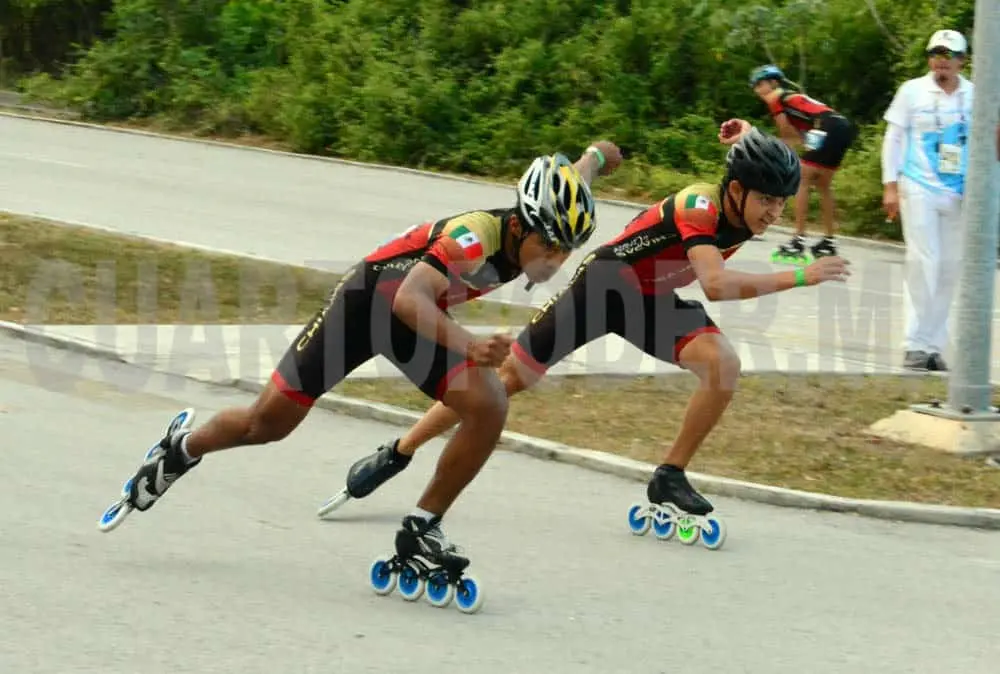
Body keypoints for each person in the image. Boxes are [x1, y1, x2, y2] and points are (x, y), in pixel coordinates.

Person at [98, 141, 623, 579]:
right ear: (518, 226)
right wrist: (469, 346)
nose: (555, 260)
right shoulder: (473, 237)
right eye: (549, 246)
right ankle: (180, 450)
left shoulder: (548, 211)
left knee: (489, 404)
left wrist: (599, 155)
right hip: (369, 305)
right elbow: (407, 300)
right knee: (267, 423)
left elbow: (576, 174)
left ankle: (420, 529)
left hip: (417, 320)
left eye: (566, 250)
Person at [318, 121, 851, 547]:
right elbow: (714, 283)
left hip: (650, 300)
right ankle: (401, 450)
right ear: (736, 191)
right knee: (504, 382)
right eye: (767, 202)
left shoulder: (743, 199)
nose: (774, 214)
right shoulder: (700, 205)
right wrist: (802, 274)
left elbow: (747, 167)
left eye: (781, 204)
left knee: (722, 365)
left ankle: (668, 475)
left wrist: (742, 134)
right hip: (602, 288)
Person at [881, 29, 974, 372]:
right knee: (925, 262)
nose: (941, 61)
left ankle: (932, 345)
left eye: (949, 55)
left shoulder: (975, 95)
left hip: (959, 193)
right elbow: (893, 138)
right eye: (935, 53)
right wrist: (889, 185)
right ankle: (913, 344)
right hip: (918, 185)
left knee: (950, 267)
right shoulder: (912, 91)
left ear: (962, 60)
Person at [748, 64, 858, 265]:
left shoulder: (776, 97)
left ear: (773, 83)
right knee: (823, 185)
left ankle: (797, 241)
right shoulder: (792, 97)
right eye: (754, 86)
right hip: (841, 125)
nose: (756, 89)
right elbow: (798, 135)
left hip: (826, 126)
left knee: (801, 179)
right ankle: (829, 241)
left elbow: (785, 132)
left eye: (759, 84)